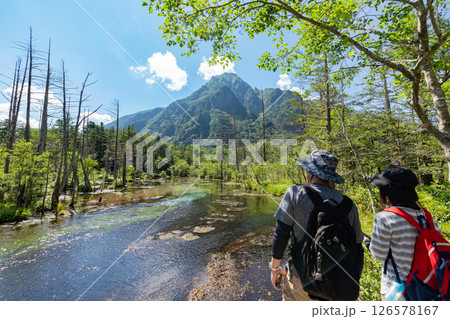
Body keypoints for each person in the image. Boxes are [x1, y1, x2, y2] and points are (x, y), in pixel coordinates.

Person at [269, 150, 364, 300]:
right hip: (337, 284)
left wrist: (275, 268)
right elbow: (358, 248)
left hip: (302, 280)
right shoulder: (349, 205)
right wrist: (351, 281)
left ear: (311, 173)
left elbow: (281, 234)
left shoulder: (295, 193)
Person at [366, 165, 441, 300]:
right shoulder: (426, 217)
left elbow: (379, 254)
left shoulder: (385, 218)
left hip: (398, 291)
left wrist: (368, 244)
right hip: (428, 286)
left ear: (387, 192)